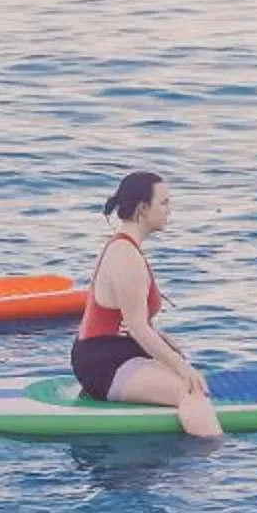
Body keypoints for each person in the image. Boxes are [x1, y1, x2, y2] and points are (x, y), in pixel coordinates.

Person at [74, 172, 221, 439]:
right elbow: (136, 327)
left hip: (113, 352)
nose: (170, 211)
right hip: (103, 362)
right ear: (143, 208)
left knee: (188, 375)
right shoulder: (125, 255)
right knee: (191, 390)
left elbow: (125, 322)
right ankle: (210, 464)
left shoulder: (127, 249)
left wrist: (165, 343)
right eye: (164, 203)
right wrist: (180, 367)